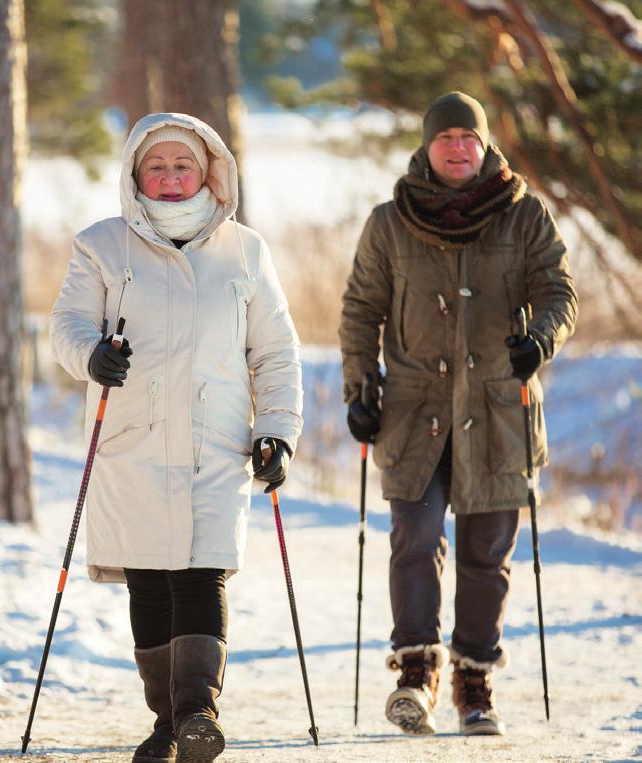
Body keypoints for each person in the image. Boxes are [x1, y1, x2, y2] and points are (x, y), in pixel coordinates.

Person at [50, 112, 303, 763]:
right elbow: (67, 328)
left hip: (216, 444)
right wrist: (92, 357)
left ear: (207, 171)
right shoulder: (101, 246)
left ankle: (197, 710)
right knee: (148, 580)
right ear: (135, 175)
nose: (169, 176)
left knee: (200, 572)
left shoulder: (245, 250)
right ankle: (166, 723)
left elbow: (274, 351)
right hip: (132, 442)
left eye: (181, 165)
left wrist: (276, 430)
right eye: (155, 166)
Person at [339, 91, 577, 737]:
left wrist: (540, 340)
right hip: (412, 412)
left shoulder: (523, 216)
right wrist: (360, 388)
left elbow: (556, 290)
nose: (456, 148)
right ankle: (415, 672)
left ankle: (474, 677)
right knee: (414, 539)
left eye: (466, 138)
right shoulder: (389, 220)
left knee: (485, 552)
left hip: (499, 406)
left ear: (483, 145)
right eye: (444, 137)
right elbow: (361, 308)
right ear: (426, 146)